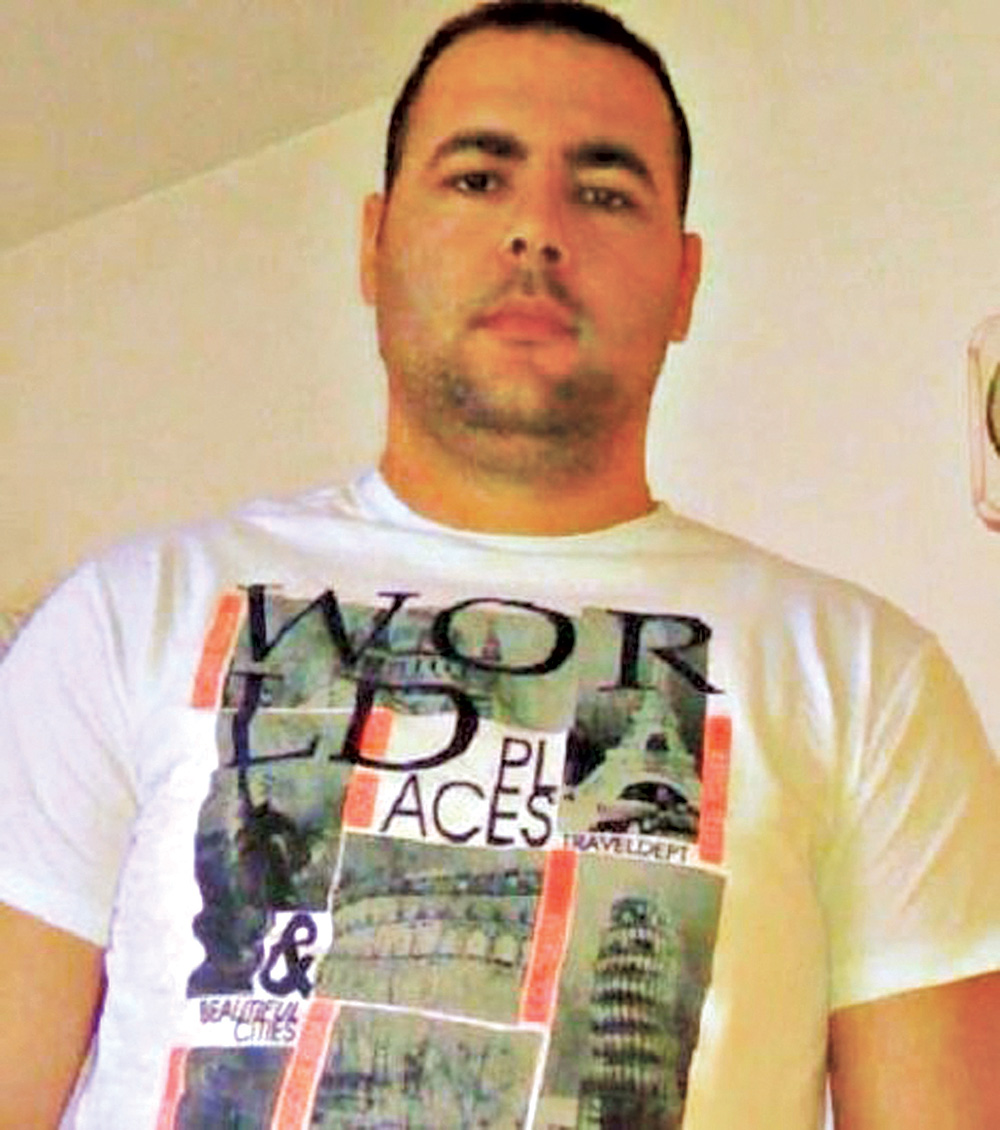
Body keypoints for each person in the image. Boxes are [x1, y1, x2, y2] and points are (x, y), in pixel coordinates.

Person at [1, 2, 997, 1127]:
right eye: (478, 178)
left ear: (683, 282)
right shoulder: (124, 617)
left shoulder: (865, 677)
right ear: (374, 244)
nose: (536, 229)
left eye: (604, 191)